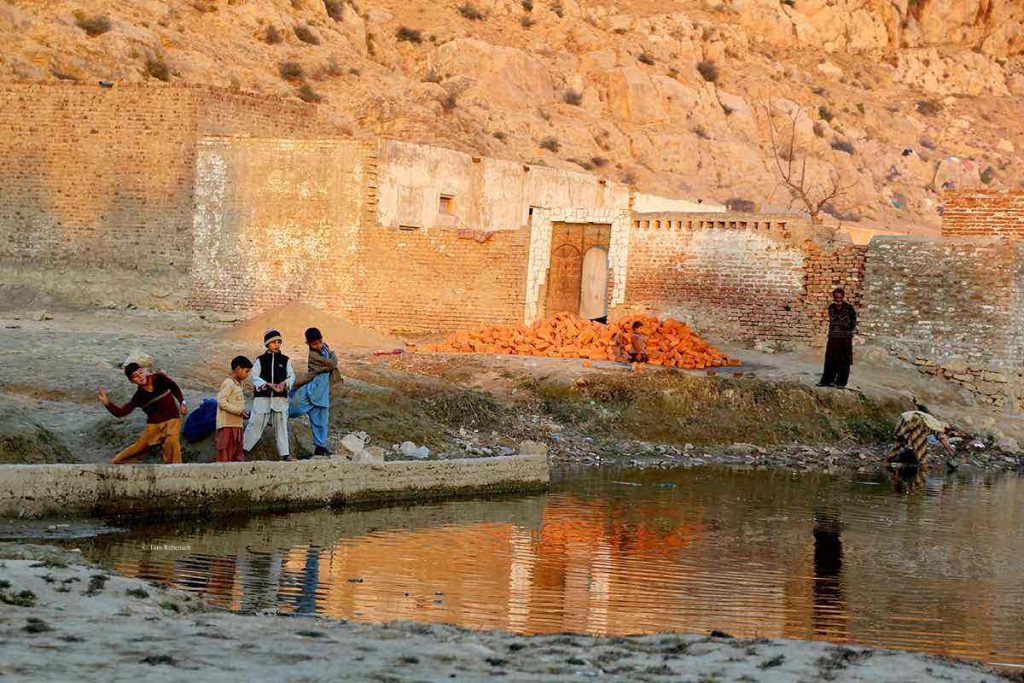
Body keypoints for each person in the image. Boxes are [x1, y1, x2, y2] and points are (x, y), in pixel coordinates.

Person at [98, 363, 187, 464]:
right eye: (135, 376)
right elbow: (121, 412)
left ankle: (174, 469)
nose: (140, 377)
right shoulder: (139, 397)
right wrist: (107, 403)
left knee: (172, 441)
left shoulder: (159, 379)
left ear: (144, 371)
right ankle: (115, 463)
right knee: (139, 447)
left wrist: (182, 403)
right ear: (132, 381)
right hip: (154, 425)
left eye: (140, 373)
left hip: (172, 419)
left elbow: (174, 387)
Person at [243, 329, 296, 461]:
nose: (277, 344)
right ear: (267, 344)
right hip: (263, 398)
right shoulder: (260, 360)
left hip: (279, 399)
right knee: (255, 423)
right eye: (274, 342)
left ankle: (284, 454)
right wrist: (267, 384)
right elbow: (254, 376)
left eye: (279, 341)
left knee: (281, 426)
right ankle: (242, 450)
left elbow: (292, 376)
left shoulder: (285, 360)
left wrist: (284, 383)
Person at [289, 327, 341, 456]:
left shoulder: (324, 349)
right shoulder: (314, 355)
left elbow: (331, 363)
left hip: (321, 392)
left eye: (319, 342)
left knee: (321, 421)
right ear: (308, 344)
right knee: (291, 410)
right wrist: (330, 353)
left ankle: (320, 447)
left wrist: (328, 352)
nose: (318, 346)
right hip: (311, 390)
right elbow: (332, 364)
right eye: (314, 344)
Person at [885, 410, 956, 468]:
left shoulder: (931, 422)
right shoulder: (939, 426)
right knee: (921, 442)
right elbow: (942, 438)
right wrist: (950, 451)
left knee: (901, 440)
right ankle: (923, 463)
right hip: (916, 418)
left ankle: (889, 458)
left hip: (904, 417)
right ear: (945, 428)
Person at [818, 287, 857, 388]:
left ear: (843, 297)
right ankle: (827, 380)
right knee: (830, 359)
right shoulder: (831, 307)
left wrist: (848, 333)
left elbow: (853, 322)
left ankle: (841, 382)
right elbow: (832, 322)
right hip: (833, 338)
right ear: (834, 297)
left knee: (843, 360)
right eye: (836, 297)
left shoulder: (849, 308)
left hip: (845, 339)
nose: (838, 299)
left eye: (840, 297)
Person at [215, 356, 252, 463]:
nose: (247, 374)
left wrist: (243, 413)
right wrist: (239, 411)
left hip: (236, 425)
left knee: (236, 453)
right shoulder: (229, 383)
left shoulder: (238, 384)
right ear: (238, 368)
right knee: (225, 454)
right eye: (246, 371)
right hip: (227, 425)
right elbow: (221, 401)